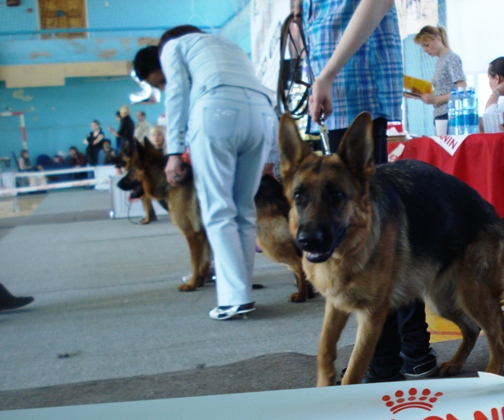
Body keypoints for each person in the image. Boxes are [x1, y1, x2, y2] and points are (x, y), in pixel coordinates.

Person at [300, 0, 438, 382]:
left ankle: (388, 362)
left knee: (375, 238)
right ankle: (411, 353)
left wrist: (326, 74)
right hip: (338, 90)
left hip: (352, 88)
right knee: (373, 234)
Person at [133, 26, 276, 320]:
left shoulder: (172, 47)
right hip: (261, 117)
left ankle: (234, 299)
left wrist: (174, 152)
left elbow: (177, 94)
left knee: (218, 210)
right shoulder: (228, 45)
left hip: (216, 113)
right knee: (244, 209)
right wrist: (273, 153)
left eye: (160, 82)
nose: (163, 87)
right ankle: (241, 290)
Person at [406, 25, 466, 125]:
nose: (425, 50)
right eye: (423, 46)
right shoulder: (440, 60)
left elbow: (463, 91)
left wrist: (435, 99)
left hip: (450, 114)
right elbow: (444, 90)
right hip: (441, 114)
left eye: (426, 45)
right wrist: (419, 96)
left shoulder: (451, 58)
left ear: (438, 38)